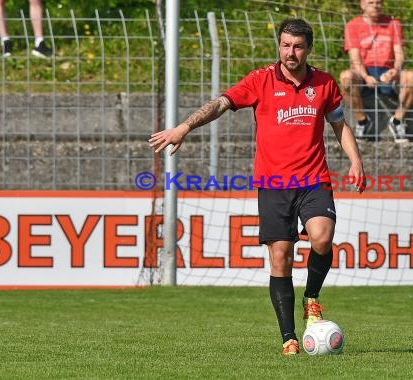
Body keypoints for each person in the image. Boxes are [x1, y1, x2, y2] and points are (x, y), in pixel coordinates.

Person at [149, 18, 365, 356]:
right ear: (279, 46)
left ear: (308, 48)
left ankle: (311, 299)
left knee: (322, 237)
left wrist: (355, 160)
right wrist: (185, 126)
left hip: (313, 180)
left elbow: (339, 124)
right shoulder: (261, 80)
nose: (290, 53)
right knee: (281, 259)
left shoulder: (323, 83)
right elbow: (220, 104)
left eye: (297, 46)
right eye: (285, 45)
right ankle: (289, 338)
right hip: (273, 184)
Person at [340, 0, 413, 143]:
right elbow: (354, 57)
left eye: (379, 2)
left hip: (387, 70)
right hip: (362, 70)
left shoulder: (394, 24)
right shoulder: (353, 26)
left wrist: (395, 70)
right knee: (346, 78)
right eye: (371, 2)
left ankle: (397, 121)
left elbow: (399, 52)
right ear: (362, 4)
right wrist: (366, 76)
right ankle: (363, 122)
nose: (375, 5)